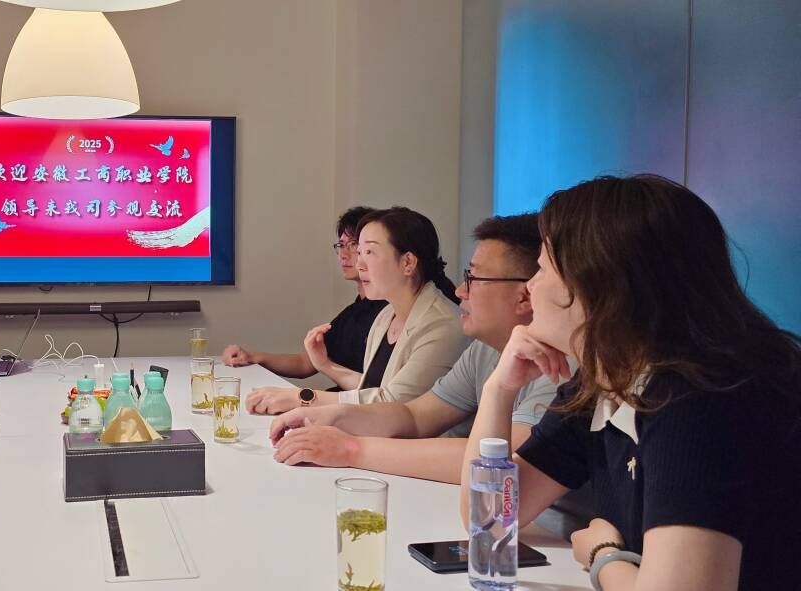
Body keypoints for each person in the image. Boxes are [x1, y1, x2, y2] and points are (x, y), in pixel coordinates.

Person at [460, 175, 800, 590]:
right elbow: (489, 522)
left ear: (597, 286)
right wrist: (499, 389)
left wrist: (604, 556)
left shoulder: (696, 397)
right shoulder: (604, 383)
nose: (530, 287)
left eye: (542, 269)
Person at [268, 214, 561, 485]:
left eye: (473, 278)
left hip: (530, 521)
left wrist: (350, 447)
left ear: (525, 295)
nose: (460, 290)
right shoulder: (483, 350)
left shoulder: (559, 365)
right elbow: (414, 416)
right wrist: (335, 415)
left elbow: (503, 462)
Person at [247, 206, 469, 413]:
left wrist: (303, 398)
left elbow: (391, 405)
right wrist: (324, 365)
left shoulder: (442, 325)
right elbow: (371, 389)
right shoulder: (386, 316)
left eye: (369, 252)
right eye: (359, 252)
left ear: (408, 262)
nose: (359, 264)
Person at [222, 207, 387, 386]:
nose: (343, 255)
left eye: (354, 245)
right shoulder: (354, 312)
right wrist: (252, 357)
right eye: (341, 245)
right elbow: (306, 363)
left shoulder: (390, 311)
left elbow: (377, 393)